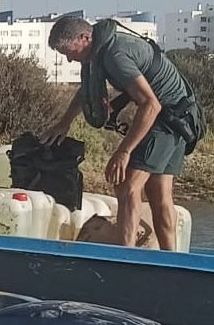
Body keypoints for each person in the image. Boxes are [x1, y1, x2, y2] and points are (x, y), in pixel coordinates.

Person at [41, 15, 202, 251]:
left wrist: (124, 151)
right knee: (158, 194)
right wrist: (64, 122)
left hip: (169, 120)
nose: (68, 59)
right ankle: (173, 260)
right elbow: (87, 91)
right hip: (181, 116)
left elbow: (151, 104)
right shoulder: (99, 50)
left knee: (126, 186)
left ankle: (125, 257)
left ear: (85, 37)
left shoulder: (115, 54)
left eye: (69, 51)